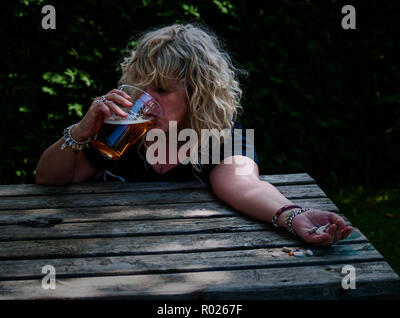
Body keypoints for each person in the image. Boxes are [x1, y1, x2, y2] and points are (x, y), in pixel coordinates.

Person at [35, 23, 353, 246]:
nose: (145, 100)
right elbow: (50, 178)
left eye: (161, 90)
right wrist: (79, 132)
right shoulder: (122, 131)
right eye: (140, 86)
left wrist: (291, 214)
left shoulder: (223, 137)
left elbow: (245, 185)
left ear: (197, 95)